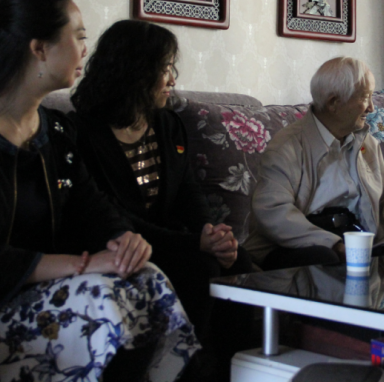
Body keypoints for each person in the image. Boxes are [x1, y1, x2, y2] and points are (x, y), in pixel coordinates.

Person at [0, 0, 197, 382]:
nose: (85, 50)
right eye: (79, 37)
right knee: (102, 298)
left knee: (147, 276)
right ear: (39, 49)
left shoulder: (55, 132)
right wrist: (80, 266)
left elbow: (95, 210)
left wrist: (124, 241)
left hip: (46, 298)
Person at [70, 20, 254, 380]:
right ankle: (186, 372)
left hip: (173, 238)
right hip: (123, 244)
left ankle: (234, 371)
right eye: (165, 68)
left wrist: (212, 233)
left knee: (239, 261)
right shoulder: (83, 132)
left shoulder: (168, 125)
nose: (172, 79)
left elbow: (188, 192)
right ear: (135, 71)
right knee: (200, 266)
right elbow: (110, 214)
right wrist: (194, 243)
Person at [243, 57, 384, 270]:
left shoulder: (367, 142)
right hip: (296, 248)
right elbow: (273, 212)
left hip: (359, 243)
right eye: (365, 97)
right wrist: (333, 244)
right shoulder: (286, 147)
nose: (371, 108)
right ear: (333, 103)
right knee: (324, 256)